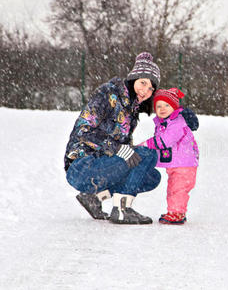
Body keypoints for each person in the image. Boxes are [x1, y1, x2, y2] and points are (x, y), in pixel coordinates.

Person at [64, 52, 199, 224]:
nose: (146, 90)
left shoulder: (132, 108)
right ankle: (121, 209)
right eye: (143, 83)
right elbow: (83, 130)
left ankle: (94, 197)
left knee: (151, 177)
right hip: (82, 165)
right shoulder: (109, 94)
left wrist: (180, 115)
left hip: (103, 165)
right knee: (147, 154)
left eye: (151, 88)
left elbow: (164, 108)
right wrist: (117, 148)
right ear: (134, 78)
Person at [139, 88, 199, 225]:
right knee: (173, 187)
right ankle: (175, 211)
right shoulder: (165, 122)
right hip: (178, 163)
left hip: (185, 163)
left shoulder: (177, 122)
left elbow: (165, 141)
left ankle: (176, 213)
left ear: (174, 107)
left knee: (178, 188)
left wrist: (146, 144)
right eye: (159, 106)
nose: (162, 109)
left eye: (167, 105)